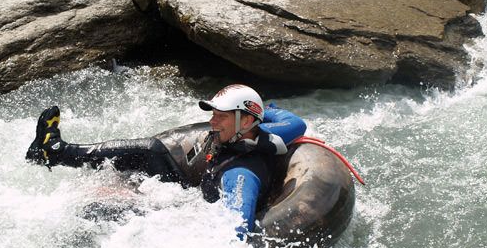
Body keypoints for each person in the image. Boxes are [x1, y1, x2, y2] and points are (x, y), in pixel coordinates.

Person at [26, 84, 306, 237]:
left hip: (180, 216)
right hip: (184, 191)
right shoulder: (241, 137)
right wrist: (266, 112)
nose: (212, 121)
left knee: (96, 210)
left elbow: (236, 228)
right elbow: (293, 122)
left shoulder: (241, 173)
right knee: (150, 151)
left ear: (244, 121)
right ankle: (56, 151)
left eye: (220, 116)